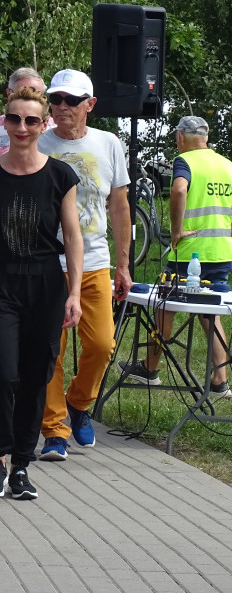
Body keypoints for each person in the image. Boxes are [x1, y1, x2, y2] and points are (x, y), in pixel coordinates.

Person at [0, 87, 83, 500]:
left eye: (31, 120)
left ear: (43, 123)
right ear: (5, 122)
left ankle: (21, 467)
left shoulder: (61, 176)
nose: (22, 128)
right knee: (0, 373)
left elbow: (72, 236)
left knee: (35, 377)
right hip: (1, 285)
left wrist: (75, 294)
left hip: (48, 286)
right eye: (15, 119)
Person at [37, 69, 131, 460]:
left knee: (101, 344)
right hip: (45, 262)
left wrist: (123, 265)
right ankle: (54, 430)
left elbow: (120, 205)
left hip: (94, 263)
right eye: (55, 100)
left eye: (71, 101)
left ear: (90, 105)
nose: (61, 108)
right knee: (49, 351)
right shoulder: (38, 142)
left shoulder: (108, 143)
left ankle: (79, 402)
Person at [120, 115, 232, 398]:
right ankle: (221, 379)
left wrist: (177, 229)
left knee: (164, 306)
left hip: (190, 252)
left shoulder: (186, 161)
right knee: (211, 312)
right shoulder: (227, 165)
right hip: (222, 251)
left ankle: (150, 368)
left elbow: (180, 188)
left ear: (181, 137)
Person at [0, 68, 52, 165]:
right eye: (21, 93)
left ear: (44, 125)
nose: (22, 128)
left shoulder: (56, 128)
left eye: (38, 95)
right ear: (9, 94)